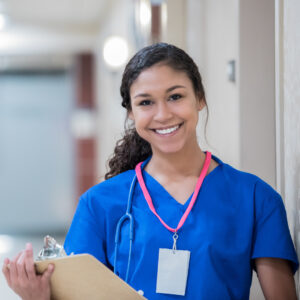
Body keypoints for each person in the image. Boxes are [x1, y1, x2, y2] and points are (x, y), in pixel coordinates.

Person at [2, 43, 299, 300]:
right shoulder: (99, 204)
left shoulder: (255, 198)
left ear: (200, 98)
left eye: (175, 96)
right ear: (131, 113)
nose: (162, 114)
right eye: (145, 102)